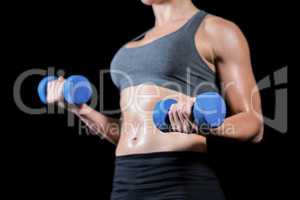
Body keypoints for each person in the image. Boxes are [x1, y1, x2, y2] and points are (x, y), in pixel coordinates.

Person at [46, 0, 263, 199]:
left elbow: (254, 125)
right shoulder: (131, 46)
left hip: (179, 180)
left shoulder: (215, 30)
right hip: (126, 181)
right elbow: (125, 133)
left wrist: (204, 127)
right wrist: (80, 110)